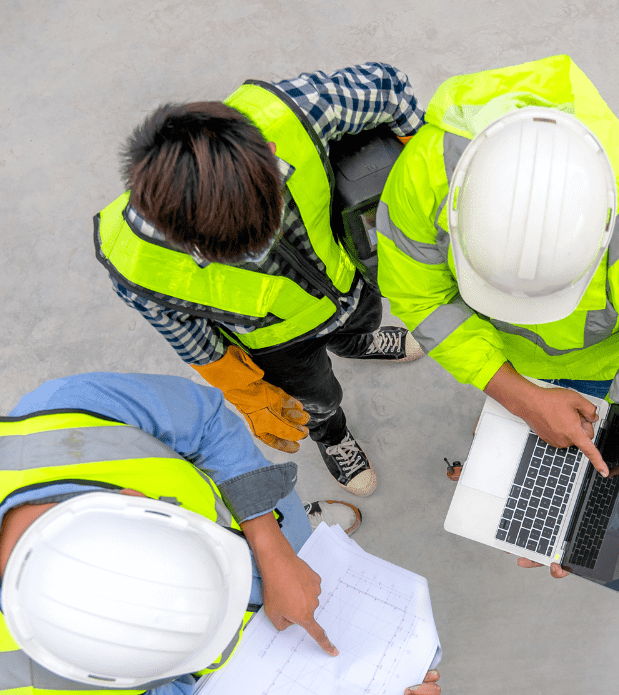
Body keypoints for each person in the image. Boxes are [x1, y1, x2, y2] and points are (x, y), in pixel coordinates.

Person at [0, 372, 440, 695]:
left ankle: (301, 528)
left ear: (130, 498)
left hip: (264, 529)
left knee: (281, 515)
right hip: (264, 618)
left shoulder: (68, 414)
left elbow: (207, 424)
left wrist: (271, 542)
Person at [374, 55, 619, 574]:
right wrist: (519, 395)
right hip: (510, 362)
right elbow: (421, 300)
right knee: (539, 429)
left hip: (610, 368)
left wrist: (605, 506)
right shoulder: (427, 175)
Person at [94, 63, 428, 498]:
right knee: (317, 399)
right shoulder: (136, 265)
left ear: (269, 152)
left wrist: (425, 175)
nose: (262, 251)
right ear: (175, 233)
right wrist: (249, 391)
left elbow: (388, 89)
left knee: (363, 320)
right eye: (238, 253)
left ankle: (358, 343)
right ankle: (332, 436)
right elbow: (195, 341)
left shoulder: (296, 113)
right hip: (280, 344)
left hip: (349, 281)